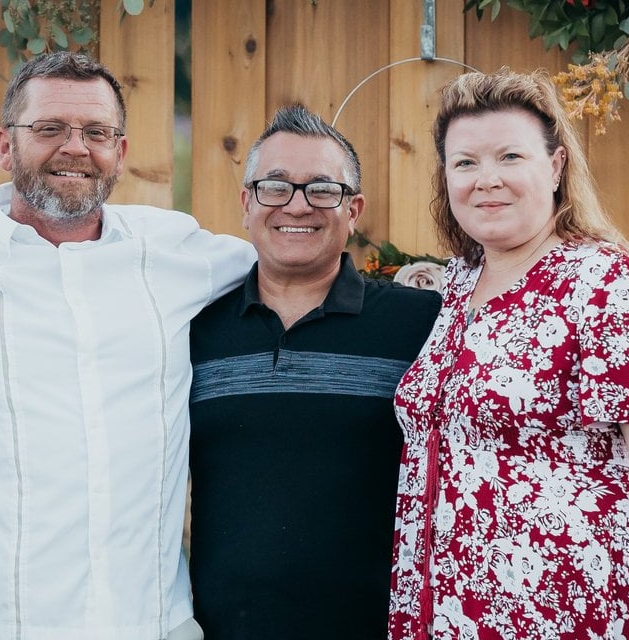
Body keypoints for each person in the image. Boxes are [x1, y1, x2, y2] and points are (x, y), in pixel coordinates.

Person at [387, 70, 629, 640]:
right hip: (459, 608)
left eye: (510, 156)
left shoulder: (603, 280)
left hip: (580, 606)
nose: (487, 180)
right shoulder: (456, 285)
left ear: (555, 167)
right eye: (465, 163)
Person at [0, 51, 254, 640]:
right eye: (49, 129)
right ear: (4, 145)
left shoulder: (178, 252)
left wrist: (431, 286)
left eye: (96, 132)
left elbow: (294, 266)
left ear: (119, 151)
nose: (75, 147)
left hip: (152, 625)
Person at [186, 105, 441, 640]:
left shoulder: (420, 322)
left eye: (323, 189)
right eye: (275, 186)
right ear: (246, 204)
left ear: (354, 209)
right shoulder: (193, 330)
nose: (297, 206)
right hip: (221, 629)